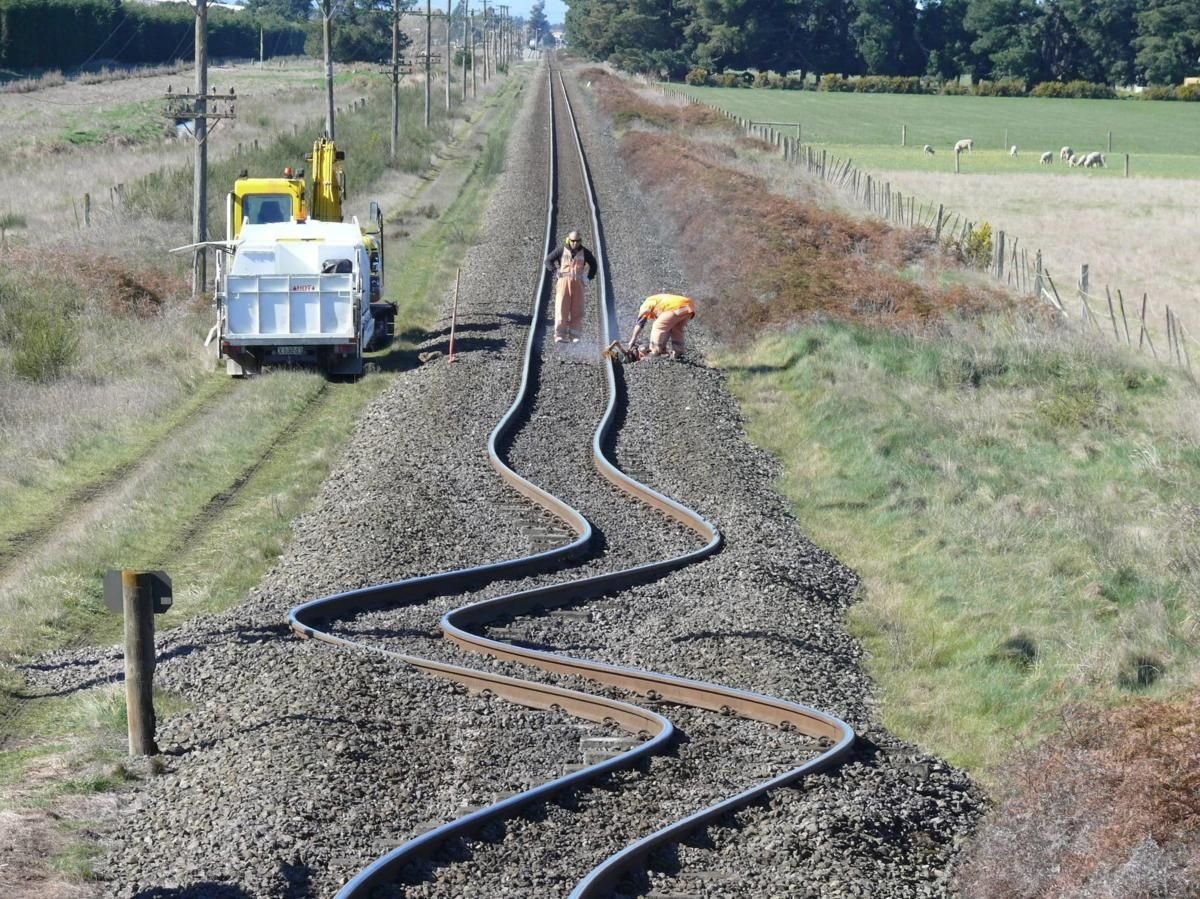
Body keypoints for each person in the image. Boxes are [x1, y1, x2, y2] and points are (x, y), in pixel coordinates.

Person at [543, 230, 598, 343]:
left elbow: (594, 264)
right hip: (563, 282)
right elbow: (548, 260)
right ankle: (559, 335)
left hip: (578, 284)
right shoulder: (561, 250)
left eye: (577, 241)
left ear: (580, 241)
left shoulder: (585, 252)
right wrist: (555, 270)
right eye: (572, 241)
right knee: (561, 308)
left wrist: (588, 277)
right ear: (568, 240)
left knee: (577, 310)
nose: (574, 243)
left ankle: (575, 335)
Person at [628, 293, 696, 360]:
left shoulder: (646, 303)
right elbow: (666, 330)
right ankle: (678, 353)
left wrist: (633, 339)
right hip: (688, 306)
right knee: (676, 329)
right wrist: (663, 347)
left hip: (676, 307)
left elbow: (640, 323)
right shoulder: (659, 303)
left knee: (658, 326)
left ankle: (655, 352)